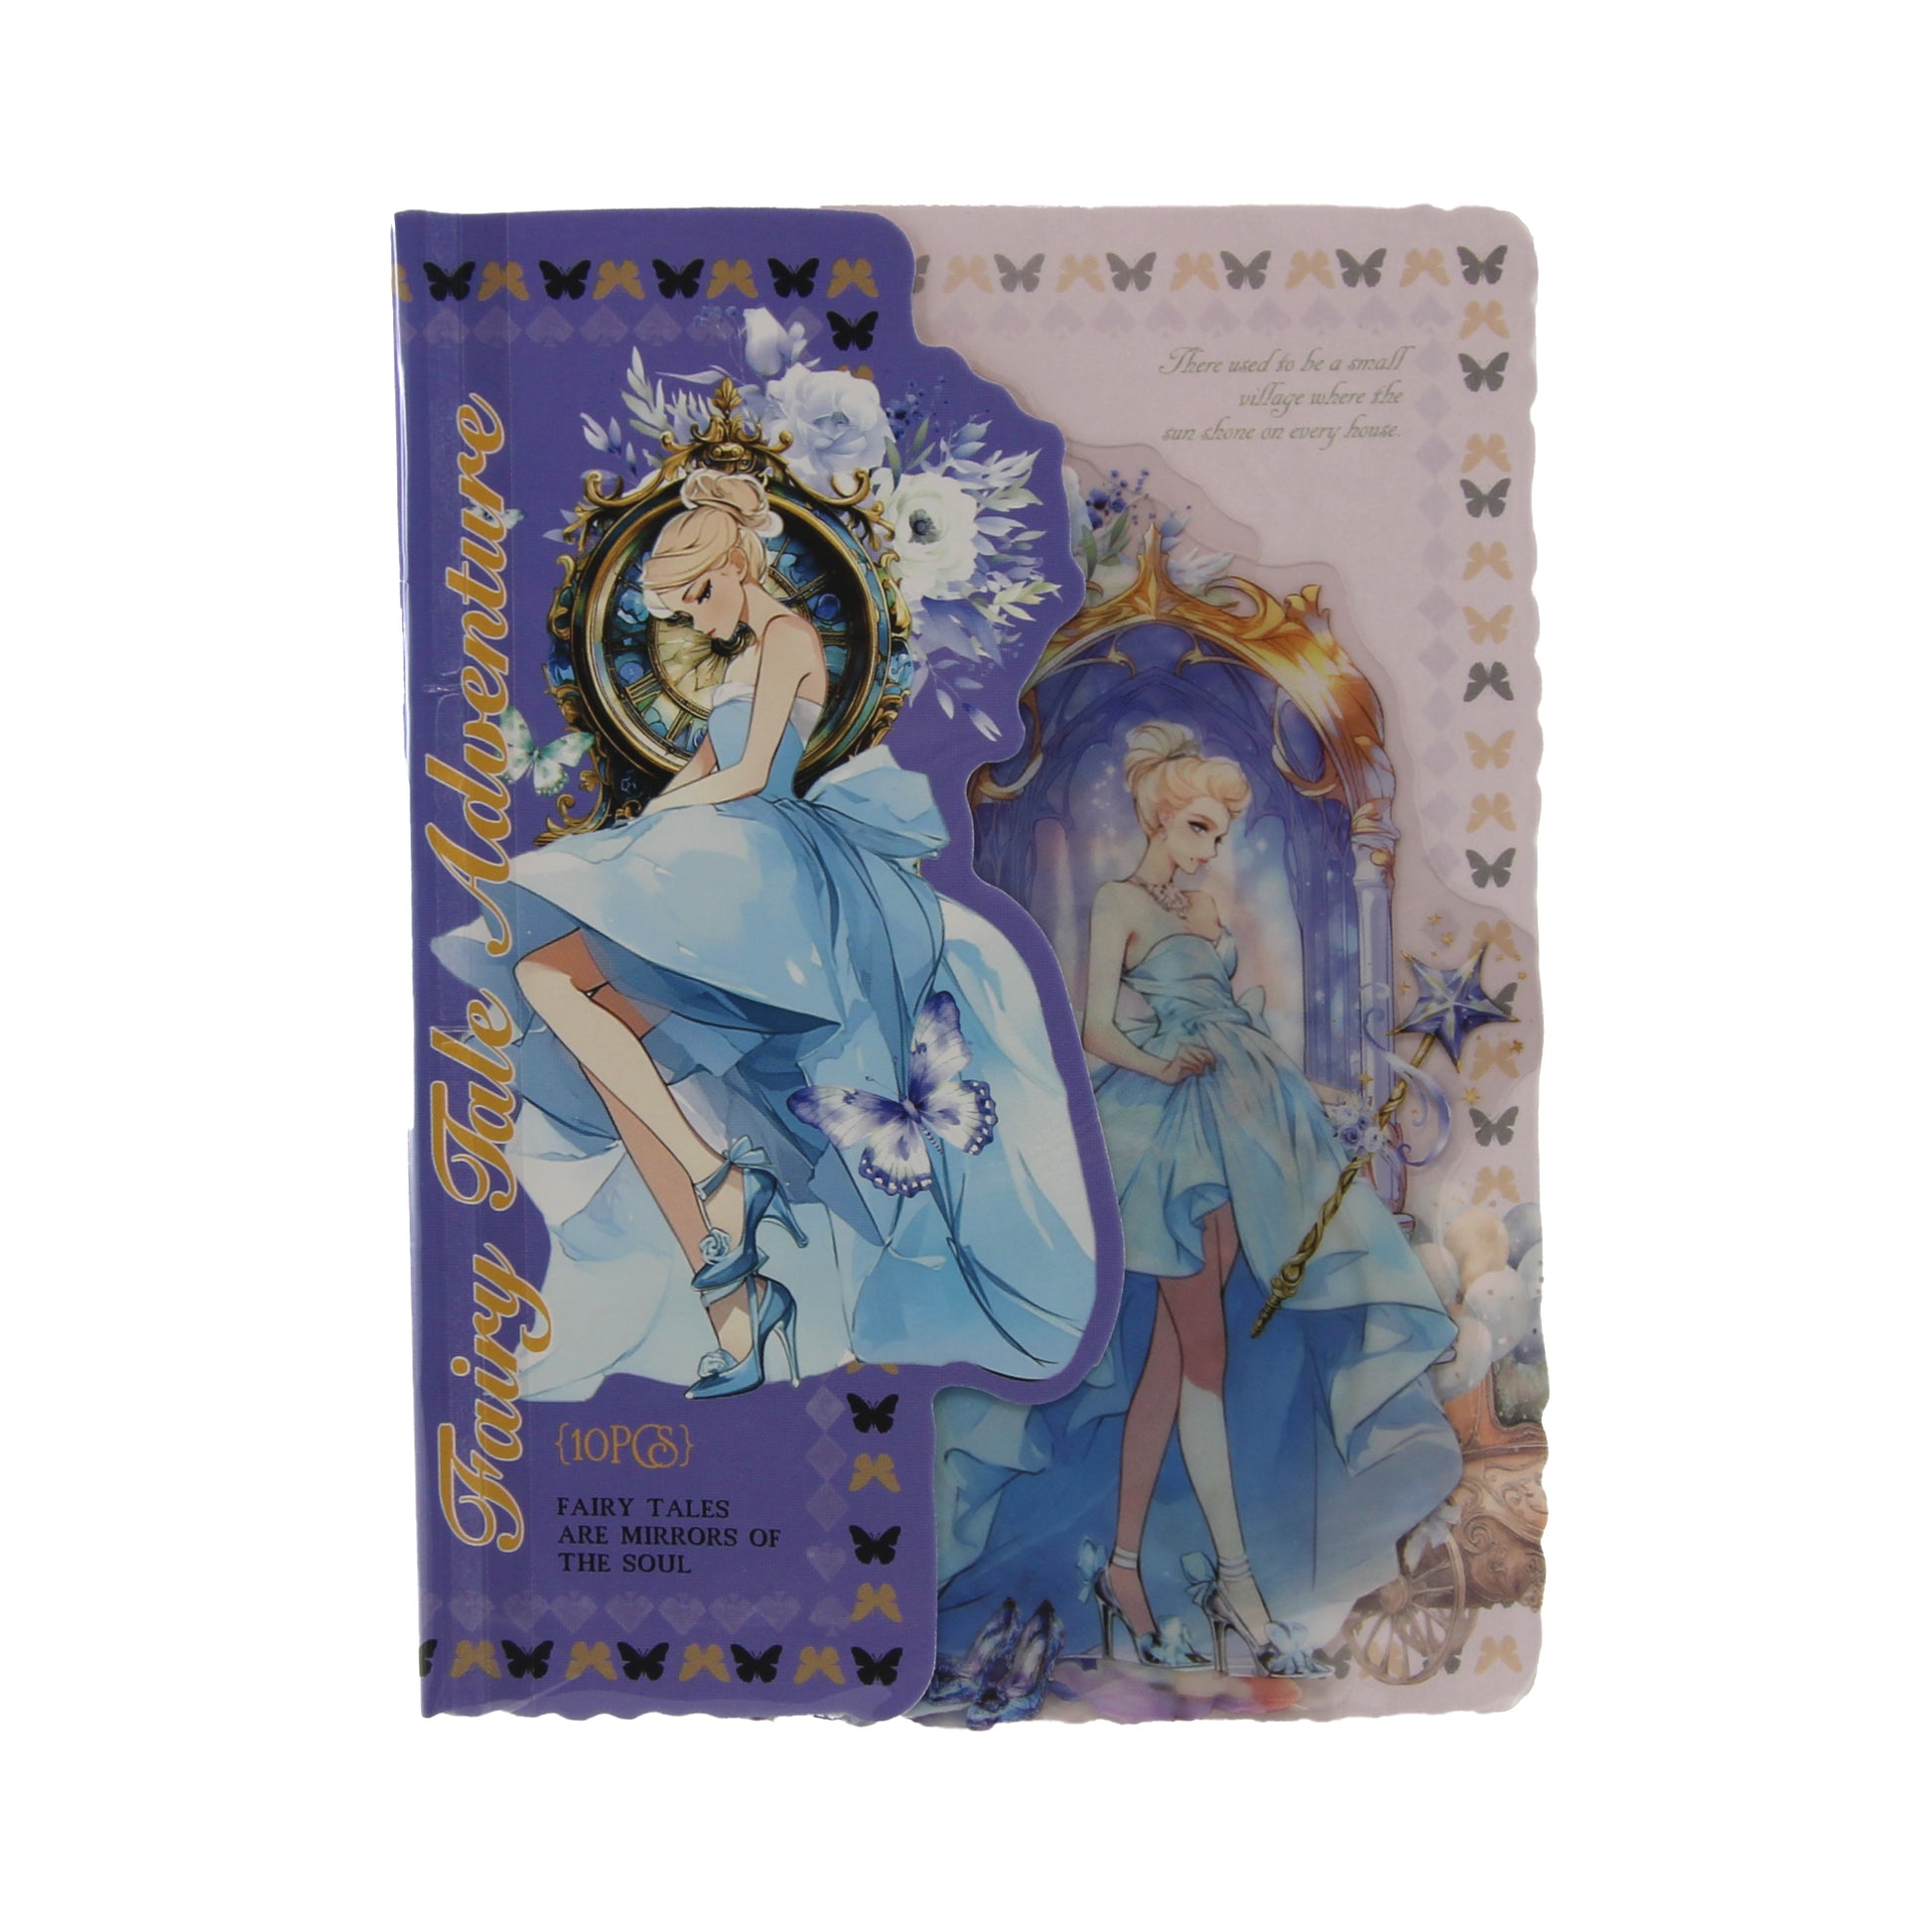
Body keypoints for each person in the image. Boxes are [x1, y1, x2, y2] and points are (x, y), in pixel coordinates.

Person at [434, 471, 1095, 1400]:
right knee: (593, 1037)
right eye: (676, 609)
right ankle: (736, 1311)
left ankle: (720, 1187)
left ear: (731, 567)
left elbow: (750, 774)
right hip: (711, 853)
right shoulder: (739, 657)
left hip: (759, 867)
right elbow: (698, 773)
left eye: (693, 598)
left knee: (557, 982)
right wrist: (630, 842)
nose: (691, 621)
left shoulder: (787, 636)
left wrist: (658, 830)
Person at [933, 723, 1460, 1674]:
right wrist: (1159, 1061)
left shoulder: (1211, 910)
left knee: (1173, 1364)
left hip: (1241, 1120)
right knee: (1201, 1352)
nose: (1212, 849)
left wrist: (1282, 1082)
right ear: (1158, 818)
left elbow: (1235, 1021)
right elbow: (1095, 1027)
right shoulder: (1119, 902)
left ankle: (1125, 1568)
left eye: (1220, 834)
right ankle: (1239, 1584)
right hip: (1167, 1136)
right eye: (1199, 829)